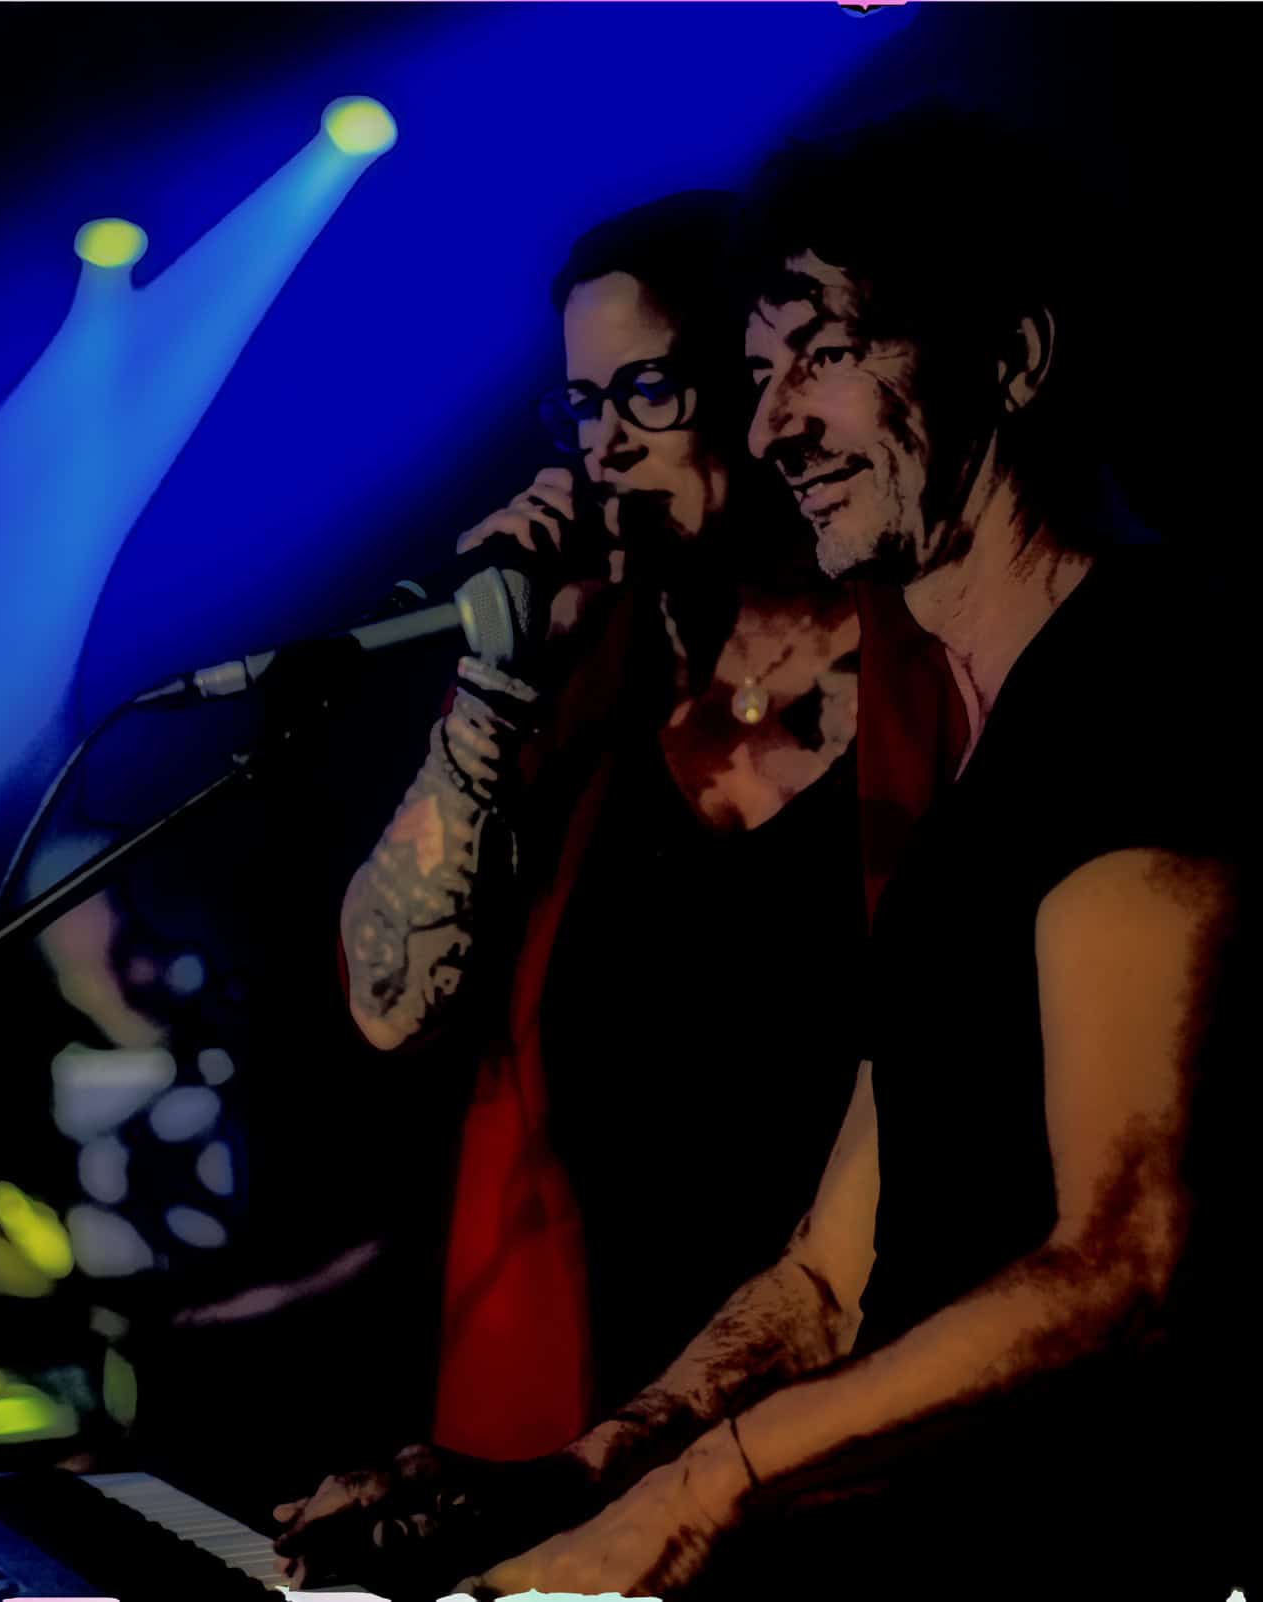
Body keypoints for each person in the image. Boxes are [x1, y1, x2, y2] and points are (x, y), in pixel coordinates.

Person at [314, 108, 1263, 1601]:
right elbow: (830, 1274)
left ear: (1012, 360)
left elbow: (1124, 1266)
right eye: (758, 377)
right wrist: (576, 1475)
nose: (772, 428)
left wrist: (699, 1492)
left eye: (819, 357)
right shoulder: (976, 750)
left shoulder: (1142, 678)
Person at [277, 191, 964, 1596]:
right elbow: (391, 1004)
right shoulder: (580, 683)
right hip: (570, 1432)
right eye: (581, 405)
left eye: (649, 388)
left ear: (759, 381)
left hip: (839, 1427)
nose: (604, 445)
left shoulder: (929, 666)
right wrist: (492, 682)